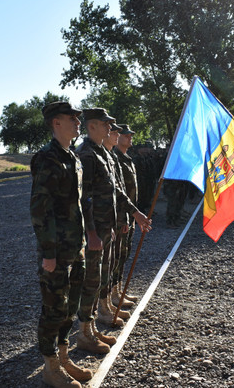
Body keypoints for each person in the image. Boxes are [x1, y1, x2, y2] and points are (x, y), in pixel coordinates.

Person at [75, 108, 152, 354]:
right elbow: (83, 197)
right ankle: (85, 332)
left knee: (102, 275)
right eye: (107, 124)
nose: (112, 129)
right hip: (97, 228)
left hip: (108, 224)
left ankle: (93, 325)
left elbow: (116, 191)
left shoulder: (102, 154)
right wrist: (91, 232)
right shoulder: (86, 155)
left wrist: (134, 213)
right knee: (92, 280)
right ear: (93, 126)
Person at [30, 101, 90, 388]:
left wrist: (87, 236)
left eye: (78, 119)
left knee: (70, 306)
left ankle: (64, 357)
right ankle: (50, 367)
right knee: (53, 308)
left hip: (75, 247)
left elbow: (78, 203)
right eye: (72, 118)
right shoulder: (47, 159)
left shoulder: (73, 157)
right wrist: (49, 253)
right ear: (56, 122)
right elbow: (40, 209)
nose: (78, 123)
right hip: (57, 250)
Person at [112, 124, 139, 308]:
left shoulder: (127, 158)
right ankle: (112, 295)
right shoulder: (115, 158)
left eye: (130, 135)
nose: (130, 137)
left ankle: (119, 290)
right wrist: (123, 219)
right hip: (122, 216)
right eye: (126, 135)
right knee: (116, 257)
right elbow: (117, 192)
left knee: (123, 255)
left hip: (130, 213)